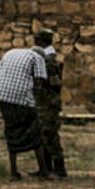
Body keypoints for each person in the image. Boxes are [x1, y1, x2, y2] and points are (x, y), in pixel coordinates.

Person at [0, 37, 49, 179]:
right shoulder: (37, 57)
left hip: (2, 97)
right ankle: (44, 172)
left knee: (11, 131)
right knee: (35, 132)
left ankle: (14, 173)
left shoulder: (10, 52)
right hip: (21, 99)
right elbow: (40, 80)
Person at [32, 30, 66, 180]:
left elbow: (55, 83)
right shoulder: (43, 57)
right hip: (43, 101)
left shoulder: (48, 59)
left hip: (48, 102)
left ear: (41, 41)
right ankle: (45, 168)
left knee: (50, 134)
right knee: (42, 135)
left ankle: (59, 167)